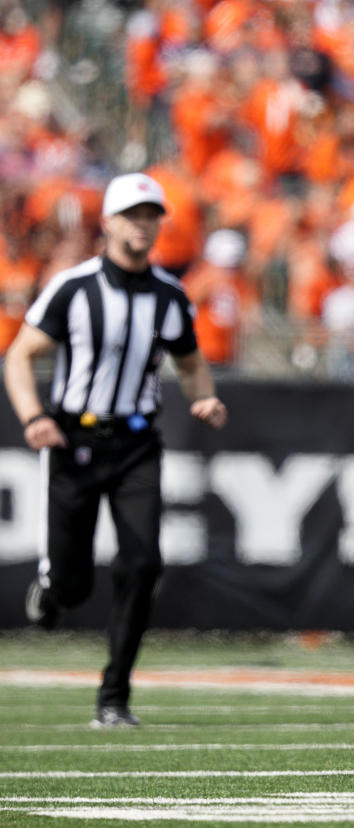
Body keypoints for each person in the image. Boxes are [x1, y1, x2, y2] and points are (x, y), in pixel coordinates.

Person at [5, 172, 228, 728]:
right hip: (74, 439)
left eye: (152, 215)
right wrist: (34, 417)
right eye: (132, 214)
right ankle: (54, 593)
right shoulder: (73, 287)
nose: (143, 224)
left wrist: (206, 399)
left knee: (142, 563)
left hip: (135, 443)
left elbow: (192, 362)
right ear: (107, 222)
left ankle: (114, 696)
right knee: (73, 582)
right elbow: (19, 355)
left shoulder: (170, 296)